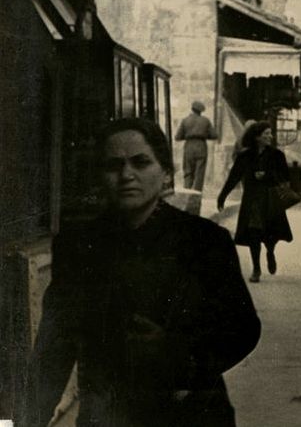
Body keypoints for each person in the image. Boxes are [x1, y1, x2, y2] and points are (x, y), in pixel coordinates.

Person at [25, 118, 260, 427]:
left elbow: (243, 330)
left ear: (165, 173)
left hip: (191, 413)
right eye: (113, 165)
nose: (126, 175)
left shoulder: (204, 241)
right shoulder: (78, 246)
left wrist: (175, 353)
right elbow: (54, 348)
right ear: (99, 176)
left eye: (141, 162)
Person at [217, 121, 294, 283]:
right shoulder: (244, 156)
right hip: (252, 199)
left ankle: (270, 252)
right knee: (253, 232)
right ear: (257, 137)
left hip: (270, 199)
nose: (270, 137)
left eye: (270, 134)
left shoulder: (277, 155)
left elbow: (286, 178)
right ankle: (256, 269)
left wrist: (267, 176)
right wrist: (222, 196)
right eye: (266, 134)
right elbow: (234, 176)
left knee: (271, 233)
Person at [174, 100, 218, 191]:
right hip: (201, 146)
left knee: (188, 172)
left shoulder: (185, 120)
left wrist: (188, 134)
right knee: (199, 173)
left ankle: (187, 193)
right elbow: (214, 135)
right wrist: (204, 135)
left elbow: (177, 137)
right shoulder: (206, 121)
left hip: (189, 146)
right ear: (201, 111)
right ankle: (196, 195)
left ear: (192, 109)